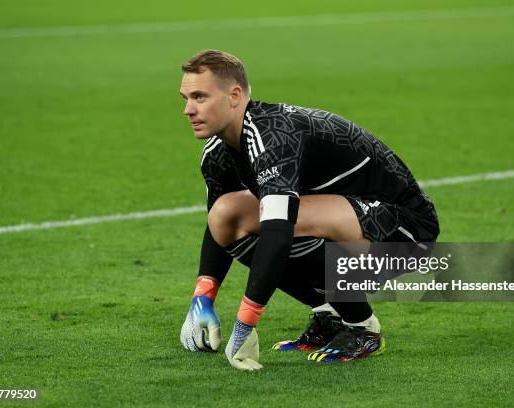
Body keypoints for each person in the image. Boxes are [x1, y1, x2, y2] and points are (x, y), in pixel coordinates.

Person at [178, 49, 439, 370]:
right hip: (346, 224)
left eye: (200, 97)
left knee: (281, 219)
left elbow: (279, 230)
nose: (188, 109)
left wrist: (246, 322)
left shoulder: (273, 136)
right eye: (186, 98)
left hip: (407, 232)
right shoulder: (218, 153)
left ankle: (362, 327)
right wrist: (202, 297)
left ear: (234, 96)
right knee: (226, 213)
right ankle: (330, 313)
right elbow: (219, 226)